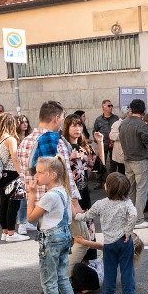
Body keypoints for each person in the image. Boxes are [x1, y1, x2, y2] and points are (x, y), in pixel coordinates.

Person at [26, 156, 81, 294]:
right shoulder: (63, 191)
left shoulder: (49, 196)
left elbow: (31, 217)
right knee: (62, 276)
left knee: (49, 280)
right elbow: (72, 216)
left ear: (52, 174)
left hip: (50, 239)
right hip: (64, 236)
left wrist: (32, 194)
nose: (36, 176)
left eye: (40, 172)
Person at [75, 172, 141, 294]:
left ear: (107, 188)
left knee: (109, 271)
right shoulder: (127, 203)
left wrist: (76, 216)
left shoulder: (101, 204)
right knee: (127, 269)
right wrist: (128, 232)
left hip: (109, 243)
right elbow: (134, 215)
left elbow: (87, 215)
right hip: (124, 241)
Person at [16, 101, 82, 226]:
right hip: (57, 204)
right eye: (62, 119)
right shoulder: (55, 140)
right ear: (56, 118)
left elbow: (24, 175)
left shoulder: (24, 142)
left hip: (36, 204)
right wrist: (75, 203)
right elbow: (66, 175)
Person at [63, 113, 105, 271]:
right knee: (73, 230)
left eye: (79, 125)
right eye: (74, 125)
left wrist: (100, 143)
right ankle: (71, 267)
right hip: (69, 195)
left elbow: (99, 167)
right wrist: (69, 158)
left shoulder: (84, 147)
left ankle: (86, 265)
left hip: (84, 194)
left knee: (87, 226)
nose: (77, 128)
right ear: (67, 127)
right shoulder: (63, 147)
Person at [0, 113, 29, 242]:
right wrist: (22, 175)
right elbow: (15, 159)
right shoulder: (10, 139)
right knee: (14, 203)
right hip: (12, 173)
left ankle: (5, 232)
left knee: (4, 203)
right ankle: (12, 233)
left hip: (0, 174)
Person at [119, 99, 148, 229]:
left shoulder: (123, 123)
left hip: (127, 159)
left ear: (131, 109)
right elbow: (147, 141)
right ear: (143, 110)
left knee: (130, 189)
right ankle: (138, 218)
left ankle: (129, 216)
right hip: (140, 159)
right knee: (142, 189)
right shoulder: (141, 124)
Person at [14, 113, 34, 236]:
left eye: (26, 121)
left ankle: (25, 220)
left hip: (28, 170)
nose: (25, 124)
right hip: (18, 172)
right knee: (23, 198)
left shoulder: (29, 137)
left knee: (27, 198)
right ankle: (22, 223)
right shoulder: (15, 139)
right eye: (22, 122)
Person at [93, 99, 118, 176]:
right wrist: (98, 141)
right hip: (103, 144)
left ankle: (112, 180)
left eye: (111, 106)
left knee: (113, 163)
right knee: (101, 162)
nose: (111, 107)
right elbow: (94, 131)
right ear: (103, 107)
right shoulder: (98, 119)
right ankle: (99, 181)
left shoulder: (116, 118)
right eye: (109, 105)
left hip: (113, 144)